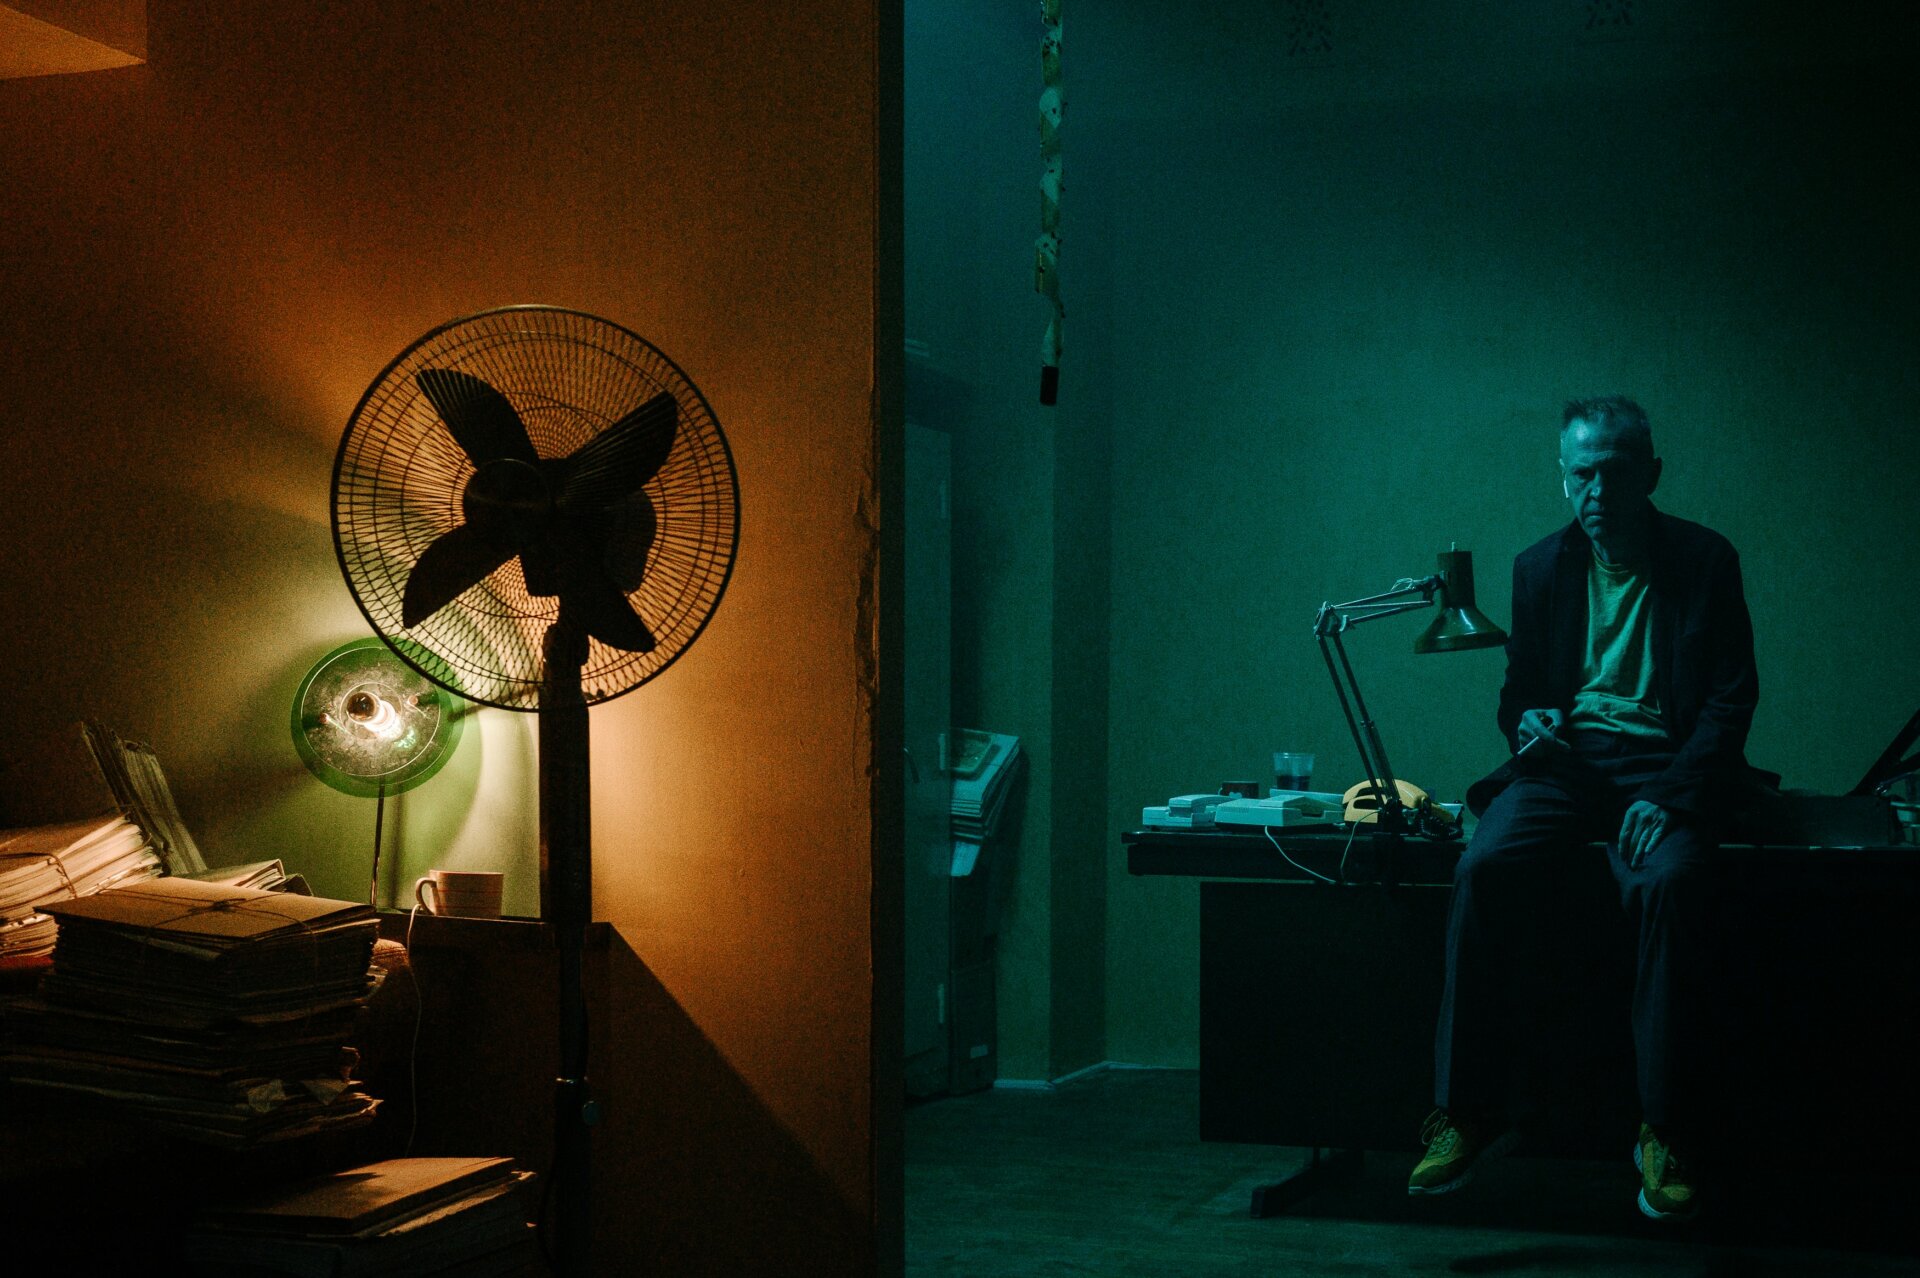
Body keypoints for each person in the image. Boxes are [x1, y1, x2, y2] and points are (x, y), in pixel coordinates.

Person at [1406, 396, 1762, 1223]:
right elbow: (1521, 693)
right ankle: (1465, 1113)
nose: (1594, 492)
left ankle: (1665, 1128)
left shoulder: (1705, 559)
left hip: (1665, 766)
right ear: (1563, 478)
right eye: (1580, 475)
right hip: (1566, 768)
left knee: (1669, 884)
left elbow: (1731, 700)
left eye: (1611, 473)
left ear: (1650, 475)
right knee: (1483, 865)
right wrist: (1527, 722)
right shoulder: (1540, 567)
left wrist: (1672, 795)